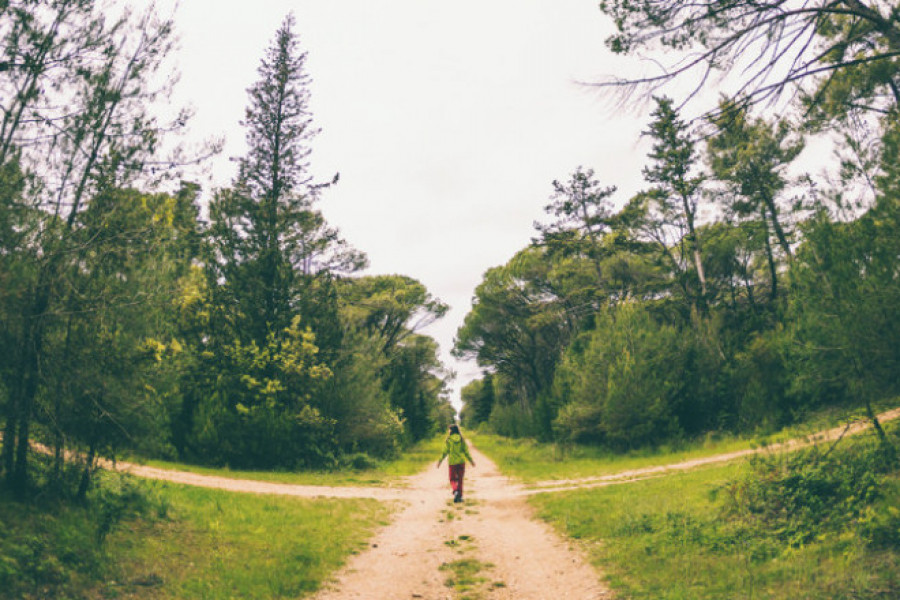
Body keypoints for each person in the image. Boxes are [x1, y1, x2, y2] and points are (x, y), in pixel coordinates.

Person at [436, 423, 475, 502]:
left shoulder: (449, 440)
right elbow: (466, 451)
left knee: (452, 479)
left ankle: (455, 491)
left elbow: (445, 452)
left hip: (452, 463)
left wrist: (440, 461)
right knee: (460, 480)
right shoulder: (461, 439)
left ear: (451, 431)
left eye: (449, 429)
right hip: (461, 462)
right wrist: (471, 461)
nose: (448, 431)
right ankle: (460, 497)